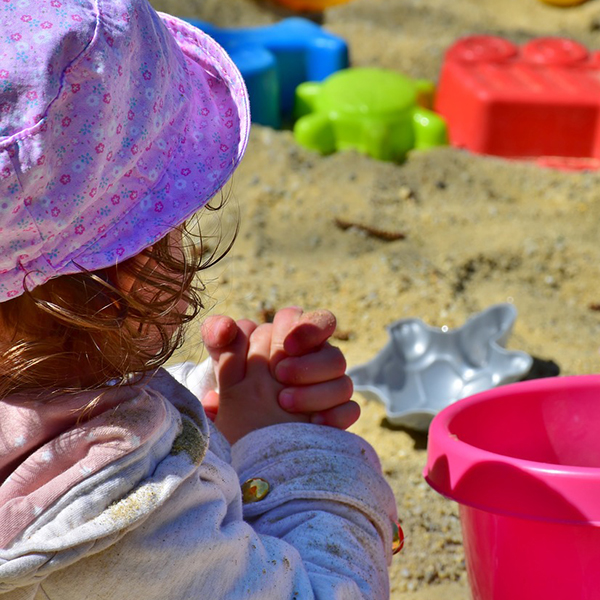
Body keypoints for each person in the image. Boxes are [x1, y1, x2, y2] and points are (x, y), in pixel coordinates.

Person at [0, 1, 398, 598]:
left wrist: (210, 402)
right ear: (122, 274)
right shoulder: (119, 518)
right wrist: (296, 459)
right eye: (168, 223)